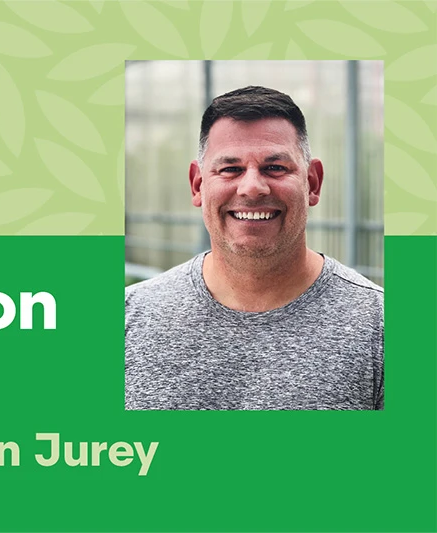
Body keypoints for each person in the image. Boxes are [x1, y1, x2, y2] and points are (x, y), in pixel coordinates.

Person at [124, 86, 384, 411]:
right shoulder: (129, 318)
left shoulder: (379, 328)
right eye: (230, 169)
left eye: (275, 168)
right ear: (198, 185)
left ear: (313, 183)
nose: (252, 187)